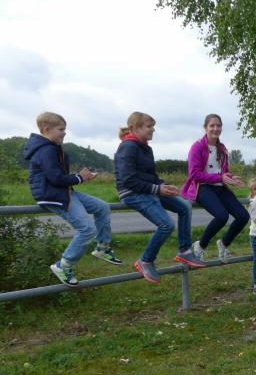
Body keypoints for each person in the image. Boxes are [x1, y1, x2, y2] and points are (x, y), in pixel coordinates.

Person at [23, 112, 123, 286]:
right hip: (52, 195)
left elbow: (57, 176)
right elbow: (55, 178)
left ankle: (102, 248)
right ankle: (63, 265)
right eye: (61, 129)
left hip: (64, 191)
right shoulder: (46, 150)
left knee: (102, 207)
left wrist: (80, 177)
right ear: (46, 129)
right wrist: (79, 177)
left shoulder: (52, 147)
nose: (64, 133)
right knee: (87, 229)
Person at [114, 111, 206, 283]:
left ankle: (185, 251)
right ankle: (145, 260)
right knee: (166, 225)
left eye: (153, 126)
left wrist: (164, 186)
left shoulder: (146, 147)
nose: (153, 130)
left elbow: (151, 176)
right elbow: (128, 180)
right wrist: (157, 189)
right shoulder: (128, 147)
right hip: (132, 192)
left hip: (148, 190)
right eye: (149, 126)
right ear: (135, 128)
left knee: (185, 207)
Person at [181, 114, 248, 263]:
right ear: (205, 128)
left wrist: (230, 178)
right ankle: (200, 245)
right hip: (202, 187)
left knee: (243, 216)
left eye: (218, 125)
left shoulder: (222, 149)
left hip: (219, 187)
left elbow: (223, 172)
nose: (215, 128)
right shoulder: (197, 146)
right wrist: (220, 178)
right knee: (222, 216)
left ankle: (224, 243)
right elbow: (194, 174)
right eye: (212, 125)